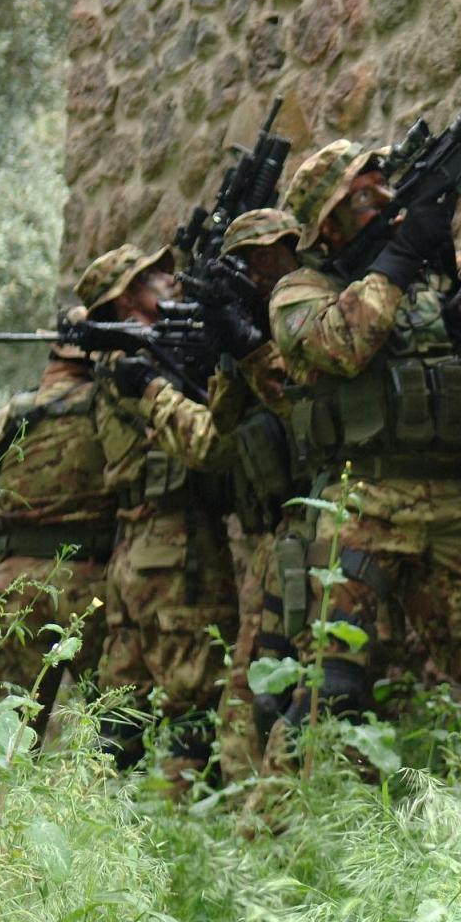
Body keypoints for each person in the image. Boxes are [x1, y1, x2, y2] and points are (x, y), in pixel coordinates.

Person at [262, 132, 461, 759]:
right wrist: (397, 257)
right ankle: (287, 832)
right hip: (359, 506)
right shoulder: (299, 292)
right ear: (327, 228)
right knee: (329, 690)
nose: (382, 200)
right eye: (360, 199)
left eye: (379, 187)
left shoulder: (435, 272)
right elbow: (341, 344)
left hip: (454, 504)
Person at [123, 208, 304, 782]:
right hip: (278, 538)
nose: (263, 273)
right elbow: (224, 425)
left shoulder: (305, 315)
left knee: (278, 694)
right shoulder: (246, 327)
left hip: (315, 526)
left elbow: (214, 444)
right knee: (255, 697)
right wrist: (230, 348)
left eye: (270, 257)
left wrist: (156, 395)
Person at [80, 243, 237, 778]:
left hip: (136, 552)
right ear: (127, 303)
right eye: (156, 276)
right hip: (175, 550)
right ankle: (184, 839)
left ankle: (103, 835)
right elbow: (209, 444)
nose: (171, 280)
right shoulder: (134, 372)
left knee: (121, 704)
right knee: (194, 697)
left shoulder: (117, 367)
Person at [0, 310, 114, 744]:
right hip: (91, 582)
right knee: (110, 727)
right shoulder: (110, 410)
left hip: (13, 583)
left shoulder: (6, 417)